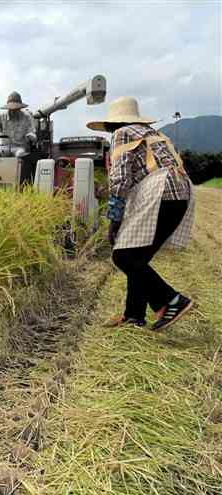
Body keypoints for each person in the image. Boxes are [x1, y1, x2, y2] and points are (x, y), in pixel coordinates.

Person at [87, 96, 195, 331]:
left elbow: (120, 178)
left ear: (114, 123)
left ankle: (172, 300)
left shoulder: (122, 134)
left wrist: (114, 220)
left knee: (123, 256)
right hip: (181, 193)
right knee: (138, 257)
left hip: (161, 193)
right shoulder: (153, 134)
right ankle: (134, 315)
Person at [0, 91, 37, 157]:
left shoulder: (27, 117)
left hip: (19, 147)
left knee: (20, 154)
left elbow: (33, 133)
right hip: (3, 147)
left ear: (20, 108)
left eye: (15, 109)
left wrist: (31, 136)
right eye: (11, 109)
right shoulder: (0, 116)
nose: (13, 111)